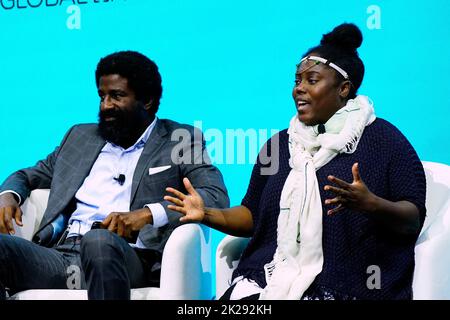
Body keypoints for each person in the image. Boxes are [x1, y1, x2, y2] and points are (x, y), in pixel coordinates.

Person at [164, 23, 426, 300]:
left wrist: (371, 204)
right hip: (269, 283)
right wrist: (206, 214)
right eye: (297, 81)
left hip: (348, 287)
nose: (298, 89)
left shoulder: (383, 140)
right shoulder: (280, 144)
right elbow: (253, 216)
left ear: (344, 88)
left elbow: (412, 219)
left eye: (311, 80)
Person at [0, 50, 229, 300]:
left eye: (117, 96)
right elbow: (28, 175)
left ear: (148, 100)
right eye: (102, 96)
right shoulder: (79, 137)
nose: (106, 105)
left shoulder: (180, 139)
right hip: (62, 257)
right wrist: (8, 196)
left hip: (129, 258)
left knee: (99, 241)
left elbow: (214, 196)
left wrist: (147, 214)